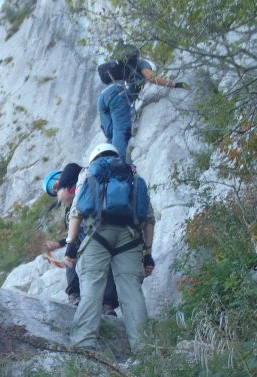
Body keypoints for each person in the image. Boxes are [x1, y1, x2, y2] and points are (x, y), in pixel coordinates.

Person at [64, 144, 155, 352]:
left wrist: (70, 244)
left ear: (93, 159)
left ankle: (85, 345)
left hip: (97, 234)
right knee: (132, 293)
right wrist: (147, 254)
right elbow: (149, 218)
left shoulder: (89, 173)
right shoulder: (134, 176)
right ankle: (145, 350)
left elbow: (76, 211)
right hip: (130, 238)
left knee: (91, 289)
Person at [43, 163, 119, 313]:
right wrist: (59, 243)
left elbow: (76, 234)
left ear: (59, 185)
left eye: (56, 190)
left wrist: (66, 246)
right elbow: (76, 232)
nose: (58, 197)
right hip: (113, 231)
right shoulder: (92, 188)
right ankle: (107, 304)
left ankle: (75, 295)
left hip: (98, 233)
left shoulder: (79, 199)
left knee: (72, 254)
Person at [96, 44, 188, 162]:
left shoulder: (126, 66)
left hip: (103, 97)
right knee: (121, 133)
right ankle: (116, 166)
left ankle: (102, 164)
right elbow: (150, 78)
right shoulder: (144, 63)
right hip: (117, 97)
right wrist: (176, 84)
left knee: (111, 136)